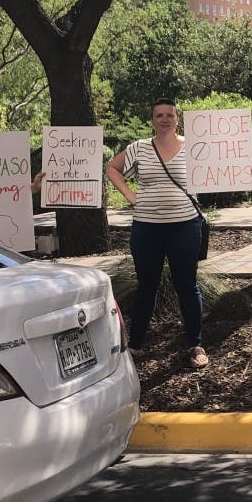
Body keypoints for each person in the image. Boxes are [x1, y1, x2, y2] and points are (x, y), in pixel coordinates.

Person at [106, 98, 209, 369]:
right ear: (152, 120)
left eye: (170, 115)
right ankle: (137, 344)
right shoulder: (139, 148)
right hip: (147, 227)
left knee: (187, 285)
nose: (165, 119)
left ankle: (195, 344)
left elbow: (219, 173)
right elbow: (112, 168)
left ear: (178, 119)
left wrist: (246, 175)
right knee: (146, 287)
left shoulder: (194, 147)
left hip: (185, 226)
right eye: (159, 115)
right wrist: (129, 194)